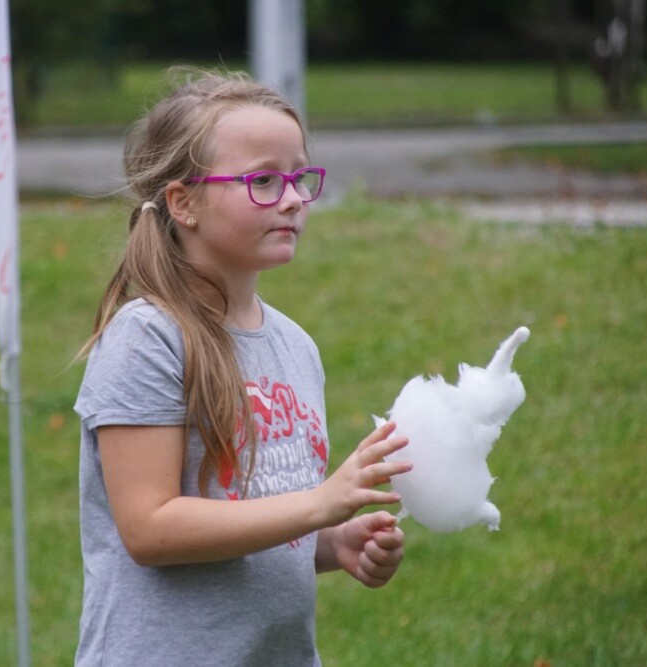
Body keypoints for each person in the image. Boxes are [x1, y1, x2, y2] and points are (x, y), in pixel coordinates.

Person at [73, 68, 412, 666]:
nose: (293, 198)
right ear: (184, 203)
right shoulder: (148, 338)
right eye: (263, 181)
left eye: (299, 177)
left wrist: (334, 543)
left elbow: (260, 516)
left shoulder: (296, 346)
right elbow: (149, 529)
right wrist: (319, 505)